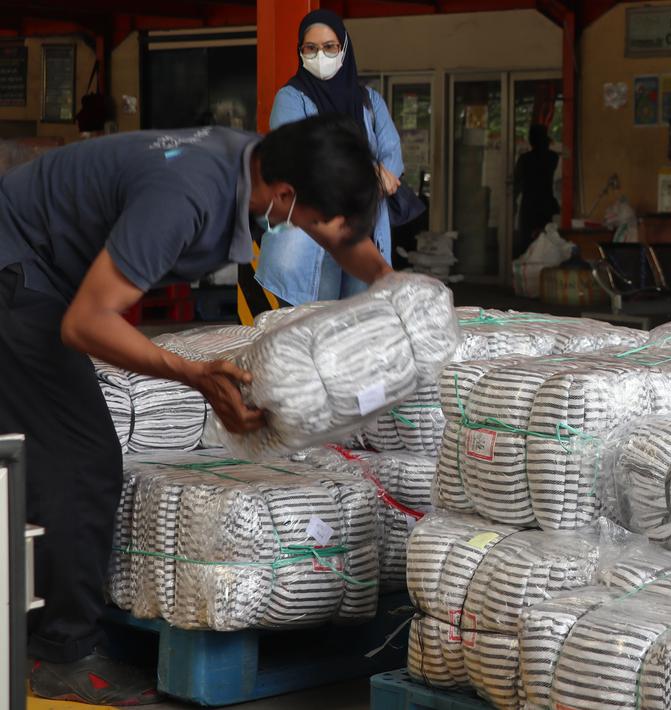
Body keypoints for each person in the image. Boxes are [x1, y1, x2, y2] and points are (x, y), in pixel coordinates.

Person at [0, 115, 385, 705]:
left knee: (39, 447)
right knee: (82, 459)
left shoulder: (254, 160)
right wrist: (195, 375)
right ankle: (62, 653)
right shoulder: (184, 199)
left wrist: (396, 293)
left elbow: (341, 235)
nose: (316, 237)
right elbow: (85, 324)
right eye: (311, 222)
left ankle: (33, 618)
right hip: (18, 271)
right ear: (285, 195)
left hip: (41, 263)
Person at [256, 9, 402, 306]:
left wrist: (381, 174)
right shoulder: (291, 98)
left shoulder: (369, 101)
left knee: (360, 319)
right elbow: (301, 156)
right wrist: (367, 175)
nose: (319, 55)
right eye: (310, 48)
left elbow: (392, 156)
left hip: (362, 229)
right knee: (316, 320)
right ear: (300, 51)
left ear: (344, 48)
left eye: (329, 47)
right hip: (312, 236)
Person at [513, 123, 560, 258]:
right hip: (545, 204)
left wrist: (513, 201)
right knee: (544, 243)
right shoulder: (552, 158)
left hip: (530, 206)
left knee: (528, 244)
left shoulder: (525, 159)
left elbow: (516, 183)